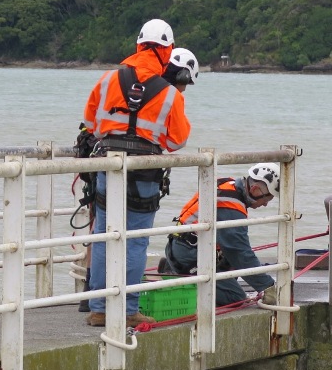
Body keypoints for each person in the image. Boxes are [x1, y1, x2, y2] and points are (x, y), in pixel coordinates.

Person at [82, 19, 198, 327]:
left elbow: (91, 124)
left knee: (105, 235)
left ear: (138, 45)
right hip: (145, 170)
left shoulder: (107, 80)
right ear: (168, 50)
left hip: (108, 164)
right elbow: (176, 141)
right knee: (134, 242)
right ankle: (128, 309)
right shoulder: (169, 93)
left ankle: (98, 308)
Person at [161, 163, 281, 306]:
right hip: (190, 255)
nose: (265, 204)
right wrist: (267, 287)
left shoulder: (226, 183)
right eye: (267, 199)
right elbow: (239, 252)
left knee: (231, 260)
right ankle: (178, 274)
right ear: (255, 189)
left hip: (182, 245)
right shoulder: (232, 207)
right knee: (235, 298)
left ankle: (173, 267)